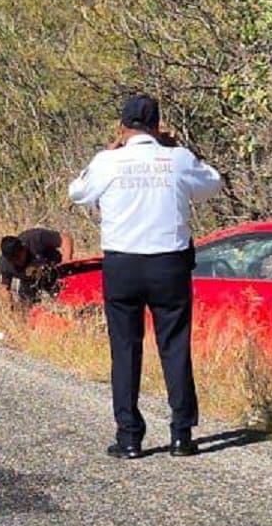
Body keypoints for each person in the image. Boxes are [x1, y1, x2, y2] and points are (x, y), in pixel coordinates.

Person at [68, 93, 222, 460]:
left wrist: (109, 151)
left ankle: (129, 437)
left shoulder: (108, 160)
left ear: (122, 127)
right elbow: (212, 183)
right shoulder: (177, 159)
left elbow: (78, 192)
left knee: (125, 349)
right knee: (175, 346)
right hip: (168, 263)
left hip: (122, 264)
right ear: (157, 125)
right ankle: (181, 435)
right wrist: (176, 149)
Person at [0, 227, 75, 310]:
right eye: (14, 260)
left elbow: (66, 239)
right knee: (24, 310)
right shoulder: (5, 265)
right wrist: (9, 303)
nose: (18, 261)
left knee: (67, 302)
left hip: (56, 271)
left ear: (23, 248)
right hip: (30, 283)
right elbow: (4, 288)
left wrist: (66, 265)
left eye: (19, 256)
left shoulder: (36, 238)